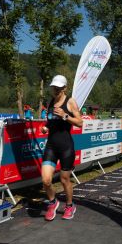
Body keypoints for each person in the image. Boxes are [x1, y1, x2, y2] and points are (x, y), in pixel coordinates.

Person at [40, 75, 83, 221]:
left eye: (59, 88)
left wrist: (65, 116)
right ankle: (53, 203)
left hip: (66, 147)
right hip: (51, 146)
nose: (56, 90)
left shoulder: (70, 102)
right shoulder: (50, 102)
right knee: (46, 180)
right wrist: (46, 128)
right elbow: (50, 121)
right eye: (54, 87)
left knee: (64, 180)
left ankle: (70, 205)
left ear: (64, 88)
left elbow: (80, 123)